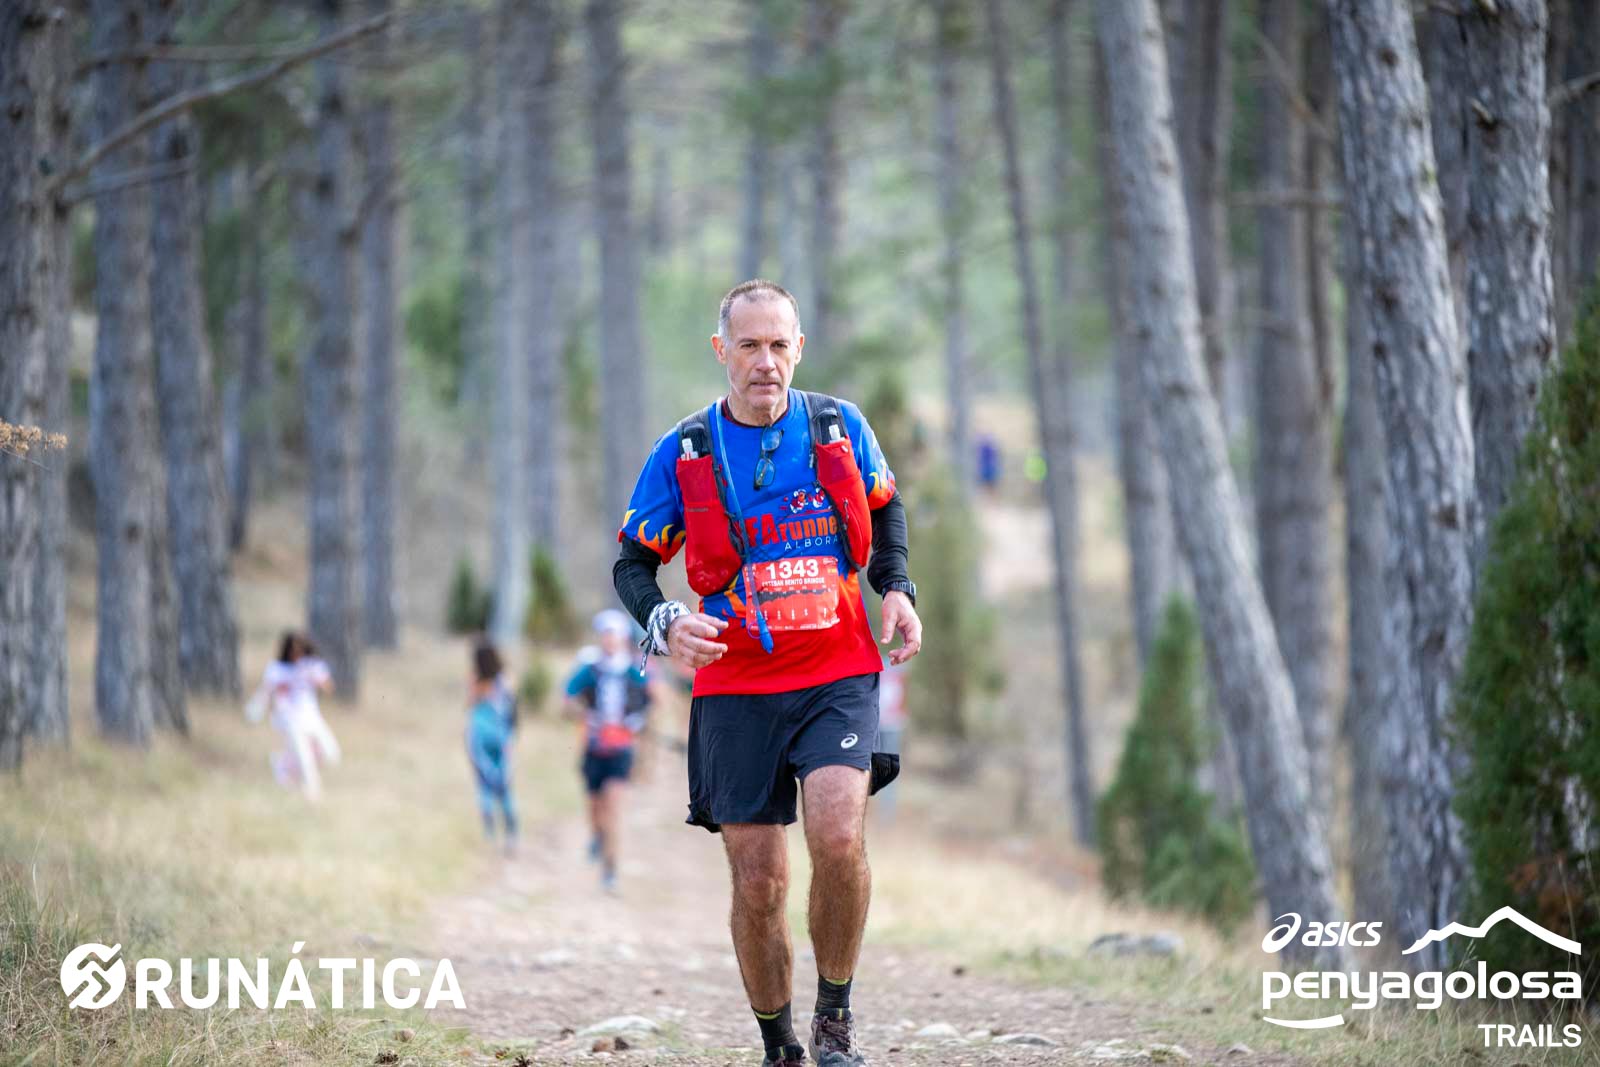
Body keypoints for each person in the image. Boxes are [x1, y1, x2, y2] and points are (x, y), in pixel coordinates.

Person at [612, 280, 922, 1067]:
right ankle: (779, 1042)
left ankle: (835, 1018)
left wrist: (896, 587)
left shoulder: (837, 426)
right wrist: (665, 621)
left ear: (799, 348)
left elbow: (885, 507)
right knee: (759, 880)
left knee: (838, 834)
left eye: (779, 344)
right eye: (748, 345)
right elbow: (633, 563)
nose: (765, 362)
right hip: (736, 684)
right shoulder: (685, 448)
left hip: (837, 671)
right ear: (722, 350)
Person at [564, 609, 651, 893]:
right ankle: (597, 837)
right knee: (595, 807)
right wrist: (585, 716)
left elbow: (650, 703)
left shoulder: (634, 671)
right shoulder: (590, 669)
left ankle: (610, 870)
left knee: (613, 809)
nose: (608, 640)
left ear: (622, 638)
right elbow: (566, 700)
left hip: (621, 751)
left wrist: (635, 724)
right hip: (593, 748)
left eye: (613, 635)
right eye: (604, 635)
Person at [259, 631, 341, 802]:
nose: (296, 654)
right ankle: (313, 793)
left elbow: (328, 687)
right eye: (293, 650)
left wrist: (315, 678)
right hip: (289, 719)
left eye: (300, 650)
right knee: (304, 757)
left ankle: (283, 765)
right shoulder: (278, 668)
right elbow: (268, 692)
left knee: (330, 754)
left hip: (311, 717)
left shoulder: (312, 665)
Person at [466, 641, 519, 853]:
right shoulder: (505, 680)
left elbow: (470, 708)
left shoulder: (476, 681)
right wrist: (512, 737)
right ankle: (511, 834)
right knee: (505, 786)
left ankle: (489, 836)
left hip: (479, 736)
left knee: (484, 784)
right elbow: (512, 710)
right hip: (500, 735)